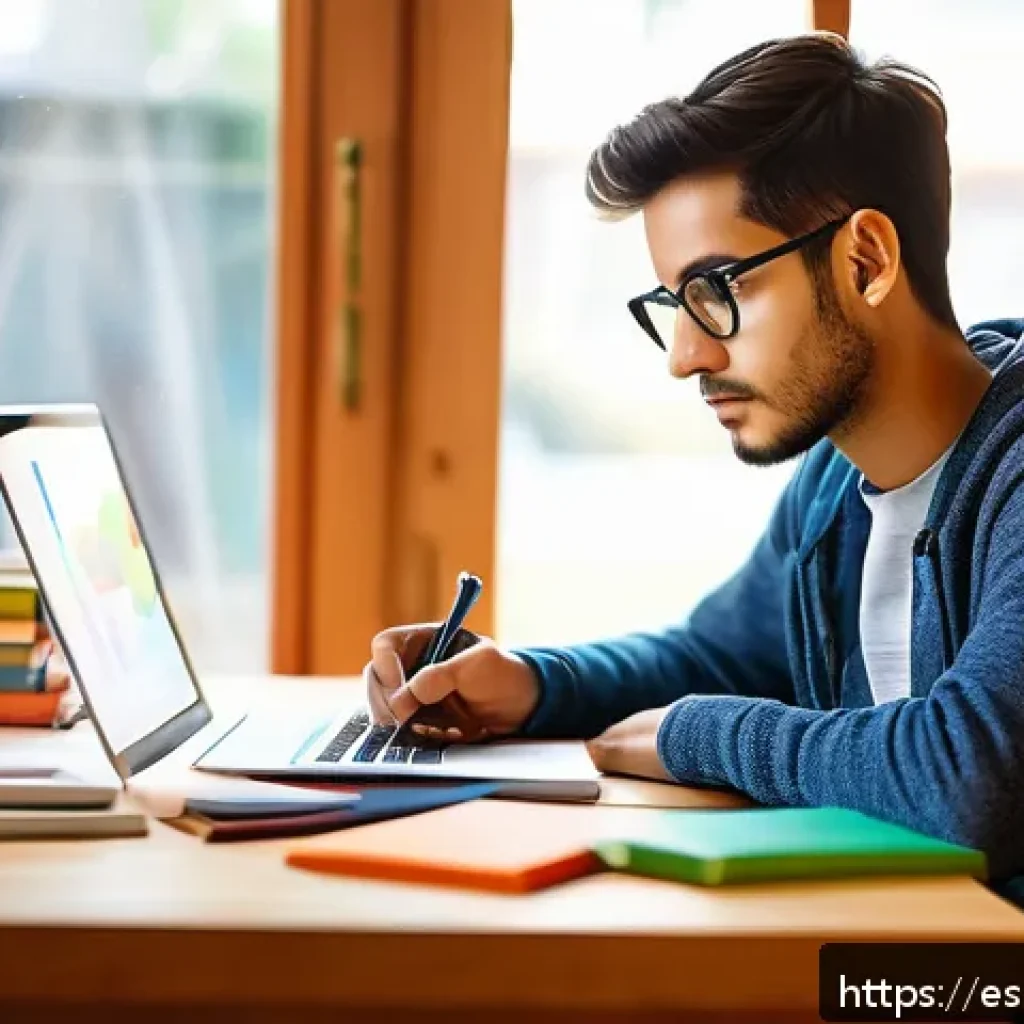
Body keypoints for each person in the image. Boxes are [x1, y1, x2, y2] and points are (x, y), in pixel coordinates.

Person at [364, 32, 1024, 888]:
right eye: (675, 302)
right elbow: (718, 657)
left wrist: (695, 735)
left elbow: (970, 777)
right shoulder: (833, 483)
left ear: (866, 260)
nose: (684, 356)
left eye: (719, 291)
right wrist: (530, 683)